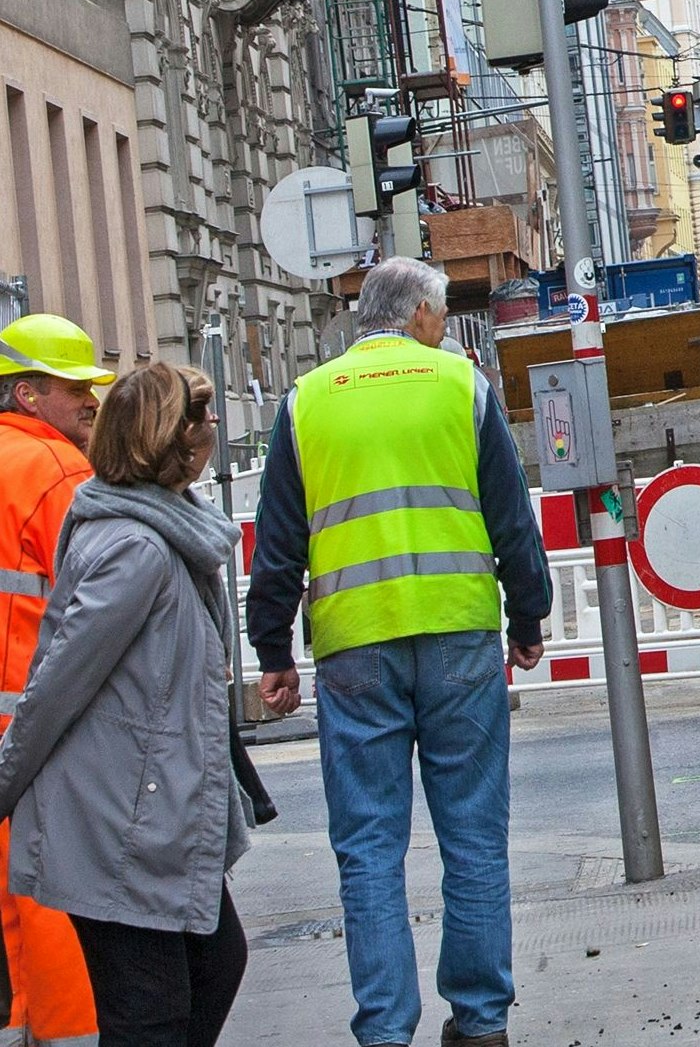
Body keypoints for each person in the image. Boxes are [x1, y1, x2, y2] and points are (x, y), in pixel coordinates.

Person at [246, 260, 553, 1047]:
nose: (444, 325)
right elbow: (510, 517)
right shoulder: (462, 388)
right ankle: (481, 1021)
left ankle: (385, 1028)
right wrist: (528, 616)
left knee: (369, 846)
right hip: (457, 634)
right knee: (474, 834)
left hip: (355, 646)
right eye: (442, 313)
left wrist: (271, 644)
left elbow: (278, 537)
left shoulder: (308, 401)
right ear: (417, 312)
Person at [0, 363, 255, 1047]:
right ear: (165, 440)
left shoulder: (166, 529)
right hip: (120, 821)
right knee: (152, 1012)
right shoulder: (135, 546)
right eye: (199, 418)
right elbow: (56, 684)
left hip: (145, 815)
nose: (210, 429)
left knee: (209, 967)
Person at [0, 313, 111, 1047]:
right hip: (44, 725)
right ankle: (73, 1033)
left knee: (12, 901)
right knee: (55, 895)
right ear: (30, 393)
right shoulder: (59, 472)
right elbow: (98, 596)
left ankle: (23, 1028)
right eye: (76, 389)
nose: (90, 403)